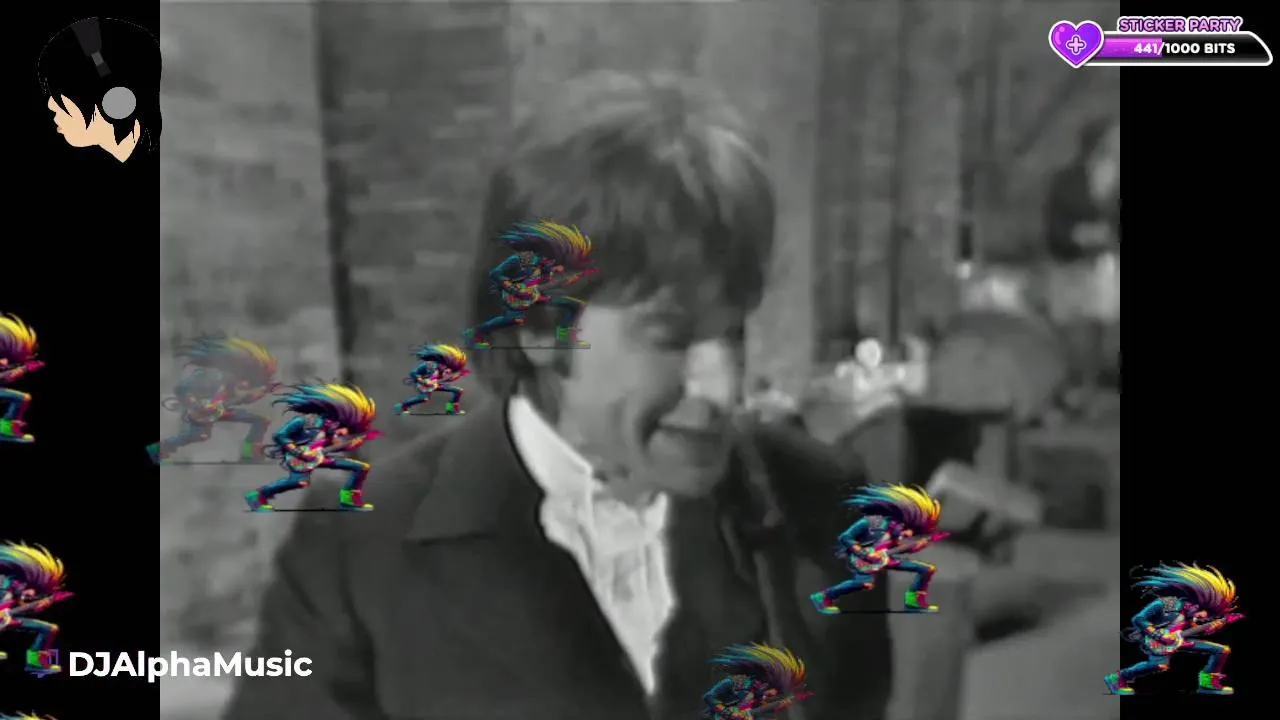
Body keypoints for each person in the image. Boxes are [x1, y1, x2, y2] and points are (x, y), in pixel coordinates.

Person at [225, 71, 891, 720]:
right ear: (540, 327)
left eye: (734, 331)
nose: (723, 387)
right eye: (671, 336)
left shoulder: (824, 505)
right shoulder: (358, 553)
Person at [1043, 116, 1120, 415]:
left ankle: (1089, 390)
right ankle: (1068, 388)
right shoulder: (1066, 180)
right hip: (1069, 261)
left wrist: (1108, 238)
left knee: (1097, 323)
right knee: (1069, 325)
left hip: (1103, 262)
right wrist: (1077, 236)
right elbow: (1053, 222)